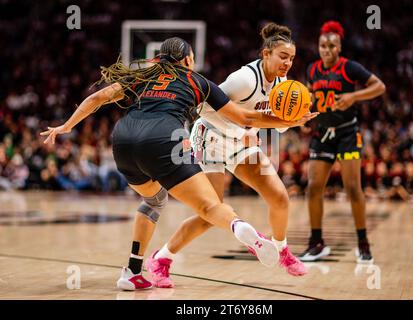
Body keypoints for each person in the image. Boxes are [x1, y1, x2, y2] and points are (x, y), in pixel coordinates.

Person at [40, 37, 316, 291]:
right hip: (165, 138)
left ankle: (133, 271)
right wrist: (286, 121)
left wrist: (66, 126)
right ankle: (241, 228)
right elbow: (245, 118)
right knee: (211, 206)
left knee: (155, 200)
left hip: (123, 140)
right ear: (186, 60)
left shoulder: (142, 74)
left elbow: (97, 98)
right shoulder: (198, 81)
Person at [145, 23, 312, 289]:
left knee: (279, 197)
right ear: (266, 53)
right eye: (283, 56)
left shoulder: (282, 86)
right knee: (212, 211)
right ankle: (161, 259)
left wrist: (294, 119)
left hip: (240, 141)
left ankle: (281, 251)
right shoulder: (244, 79)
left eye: (291, 58)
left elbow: (277, 124)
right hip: (210, 137)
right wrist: (244, 125)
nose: (287, 63)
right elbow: (205, 107)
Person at [299, 21, 385, 264]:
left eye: (331, 45)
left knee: (352, 188)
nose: (326, 49)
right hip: (323, 135)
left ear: (339, 47)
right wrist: (303, 114)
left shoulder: (350, 68)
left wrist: (353, 96)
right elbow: (309, 98)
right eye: (322, 45)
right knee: (314, 187)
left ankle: (363, 242)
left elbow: (380, 86)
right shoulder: (312, 70)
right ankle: (316, 243)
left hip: (347, 134)